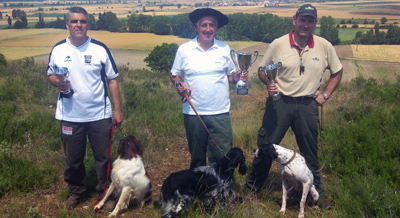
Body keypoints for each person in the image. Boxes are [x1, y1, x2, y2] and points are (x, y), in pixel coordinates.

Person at [244, 4, 343, 208]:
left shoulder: (324, 46)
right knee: (266, 148)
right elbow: (262, 70)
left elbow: (337, 71)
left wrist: (325, 94)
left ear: (315, 22)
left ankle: (318, 195)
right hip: (279, 104)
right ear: (294, 20)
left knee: (310, 153)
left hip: (307, 105)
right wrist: (268, 83)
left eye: (310, 20)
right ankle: (250, 190)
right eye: (302, 20)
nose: (306, 24)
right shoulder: (278, 44)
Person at [47, 7, 123, 209]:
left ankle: (106, 194)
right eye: (74, 21)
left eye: (82, 21)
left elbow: (112, 80)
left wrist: (117, 110)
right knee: (72, 160)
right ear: (67, 25)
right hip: (70, 115)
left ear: (88, 24)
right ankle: (76, 192)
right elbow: (51, 74)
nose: (78, 25)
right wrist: (57, 82)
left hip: (99, 115)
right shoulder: (58, 50)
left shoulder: (100, 49)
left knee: (104, 158)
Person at [170, 8, 248, 169]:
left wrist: (238, 77)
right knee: (197, 157)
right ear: (197, 26)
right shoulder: (184, 49)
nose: (208, 29)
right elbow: (174, 75)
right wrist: (180, 86)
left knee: (222, 156)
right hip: (193, 113)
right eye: (204, 25)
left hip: (220, 112)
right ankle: (198, 189)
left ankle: (220, 191)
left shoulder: (224, 48)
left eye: (211, 25)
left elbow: (231, 77)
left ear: (217, 26)